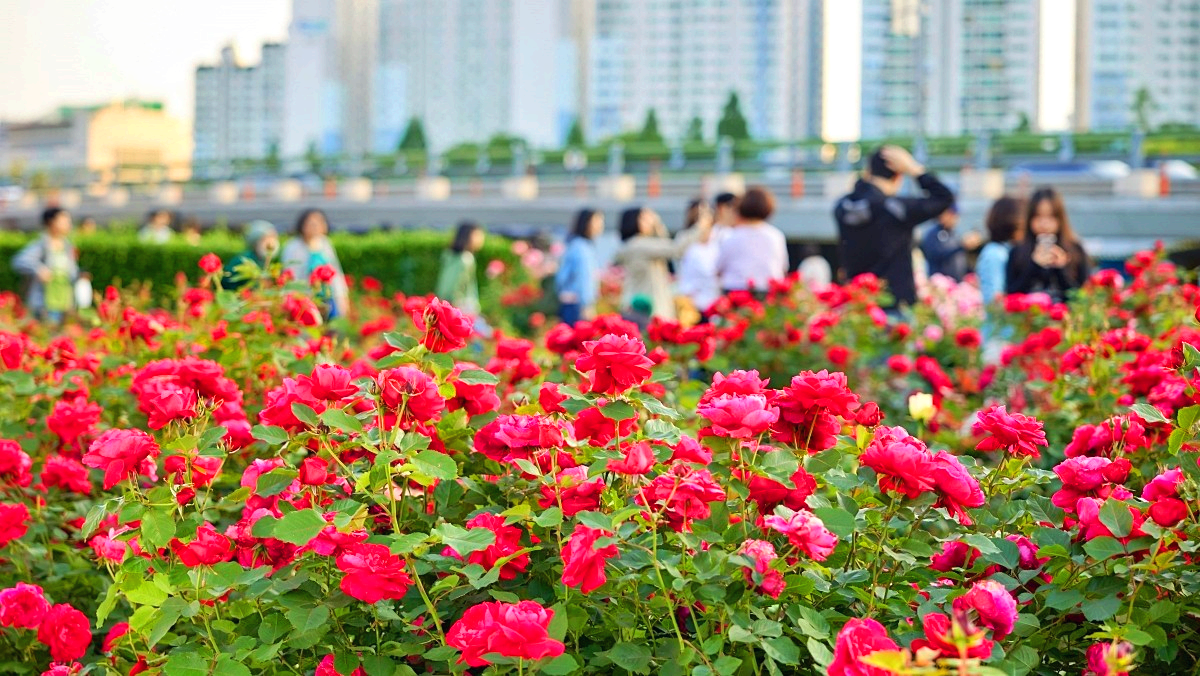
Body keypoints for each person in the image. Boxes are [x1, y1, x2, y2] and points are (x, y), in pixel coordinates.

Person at [834, 145, 955, 308]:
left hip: (858, 303)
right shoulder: (896, 209)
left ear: (868, 172)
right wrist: (915, 169)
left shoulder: (843, 206)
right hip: (895, 302)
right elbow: (944, 198)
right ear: (899, 176)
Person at [1005, 187, 1089, 303]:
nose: (1044, 223)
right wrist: (1034, 265)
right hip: (1029, 314)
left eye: (1051, 216)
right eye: (1038, 216)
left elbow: (1081, 297)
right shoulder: (1017, 251)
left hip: (1064, 314)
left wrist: (1060, 269)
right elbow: (1012, 294)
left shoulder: (1075, 250)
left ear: (1060, 219)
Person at [614, 207, 685, 320]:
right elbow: (675, 249)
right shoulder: (638, 245)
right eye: (644, 218)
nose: (650, 222)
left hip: (645, 307)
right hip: (646, 309)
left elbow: (664, 245)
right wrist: (700, 227)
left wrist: (657, 227)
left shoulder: (639, 244)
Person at [12, 207, 81, 323]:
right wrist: (38, 269)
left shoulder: (67, 246)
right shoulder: (41, 245)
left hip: (65, 303)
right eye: (64, 220)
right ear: (51, 222)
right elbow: (19, 261)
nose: (68, 224)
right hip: (45, 304)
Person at [716, 186, 788, 295]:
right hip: (767, 292)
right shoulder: (776, 236)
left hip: (735, 293)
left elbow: (719, 268)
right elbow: (783, 267)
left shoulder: (732, 236)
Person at [977, 197, 1024, 359]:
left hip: (1009, 336)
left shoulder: (1009, 251)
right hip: (1000, 338)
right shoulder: (995, 254)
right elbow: (994, 301)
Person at [282, 208, 350, 318]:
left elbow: (335, 272)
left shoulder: (325, 243)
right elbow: (290, 276)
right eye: (311, 223)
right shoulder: (293, 247)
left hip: (327, 297)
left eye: (319, 222)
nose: (315, 226)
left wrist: (342, 296)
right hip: (305, 298)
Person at [555, 209, 603, 325]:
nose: (600, 225)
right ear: (587, 223)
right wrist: (586, 304)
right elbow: (584, 278)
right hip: (577, 305)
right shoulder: (582, 248)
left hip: (570, 303)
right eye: (597, 221)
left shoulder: (575, 244)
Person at [674, 198, 719, 320]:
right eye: (699, 214)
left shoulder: (719, 237)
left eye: (706, 212)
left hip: (716, 303)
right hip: (693, 304)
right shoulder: (685, 238)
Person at [920, 205, 982, 282]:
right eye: (951, 215)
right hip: (939, 284)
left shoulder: (954, 233)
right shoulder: (933, 234)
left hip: (957, 282)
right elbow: (937, 255)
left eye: (956, 215)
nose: (955, 218)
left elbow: (960, 259)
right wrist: (962, 245)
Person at [436, 221, 485, 316]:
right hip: (462, 308)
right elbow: (457, 287)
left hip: (448, 304)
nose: (481, 239)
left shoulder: (449, 255)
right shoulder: (466, 258)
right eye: (477, 235)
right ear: (467, 236)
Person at [224, 220, 280, 290]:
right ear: (256, 241)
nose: (272, 242)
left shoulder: (263, 261)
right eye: (267, 238)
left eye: (274, 237)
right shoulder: (242, 261)